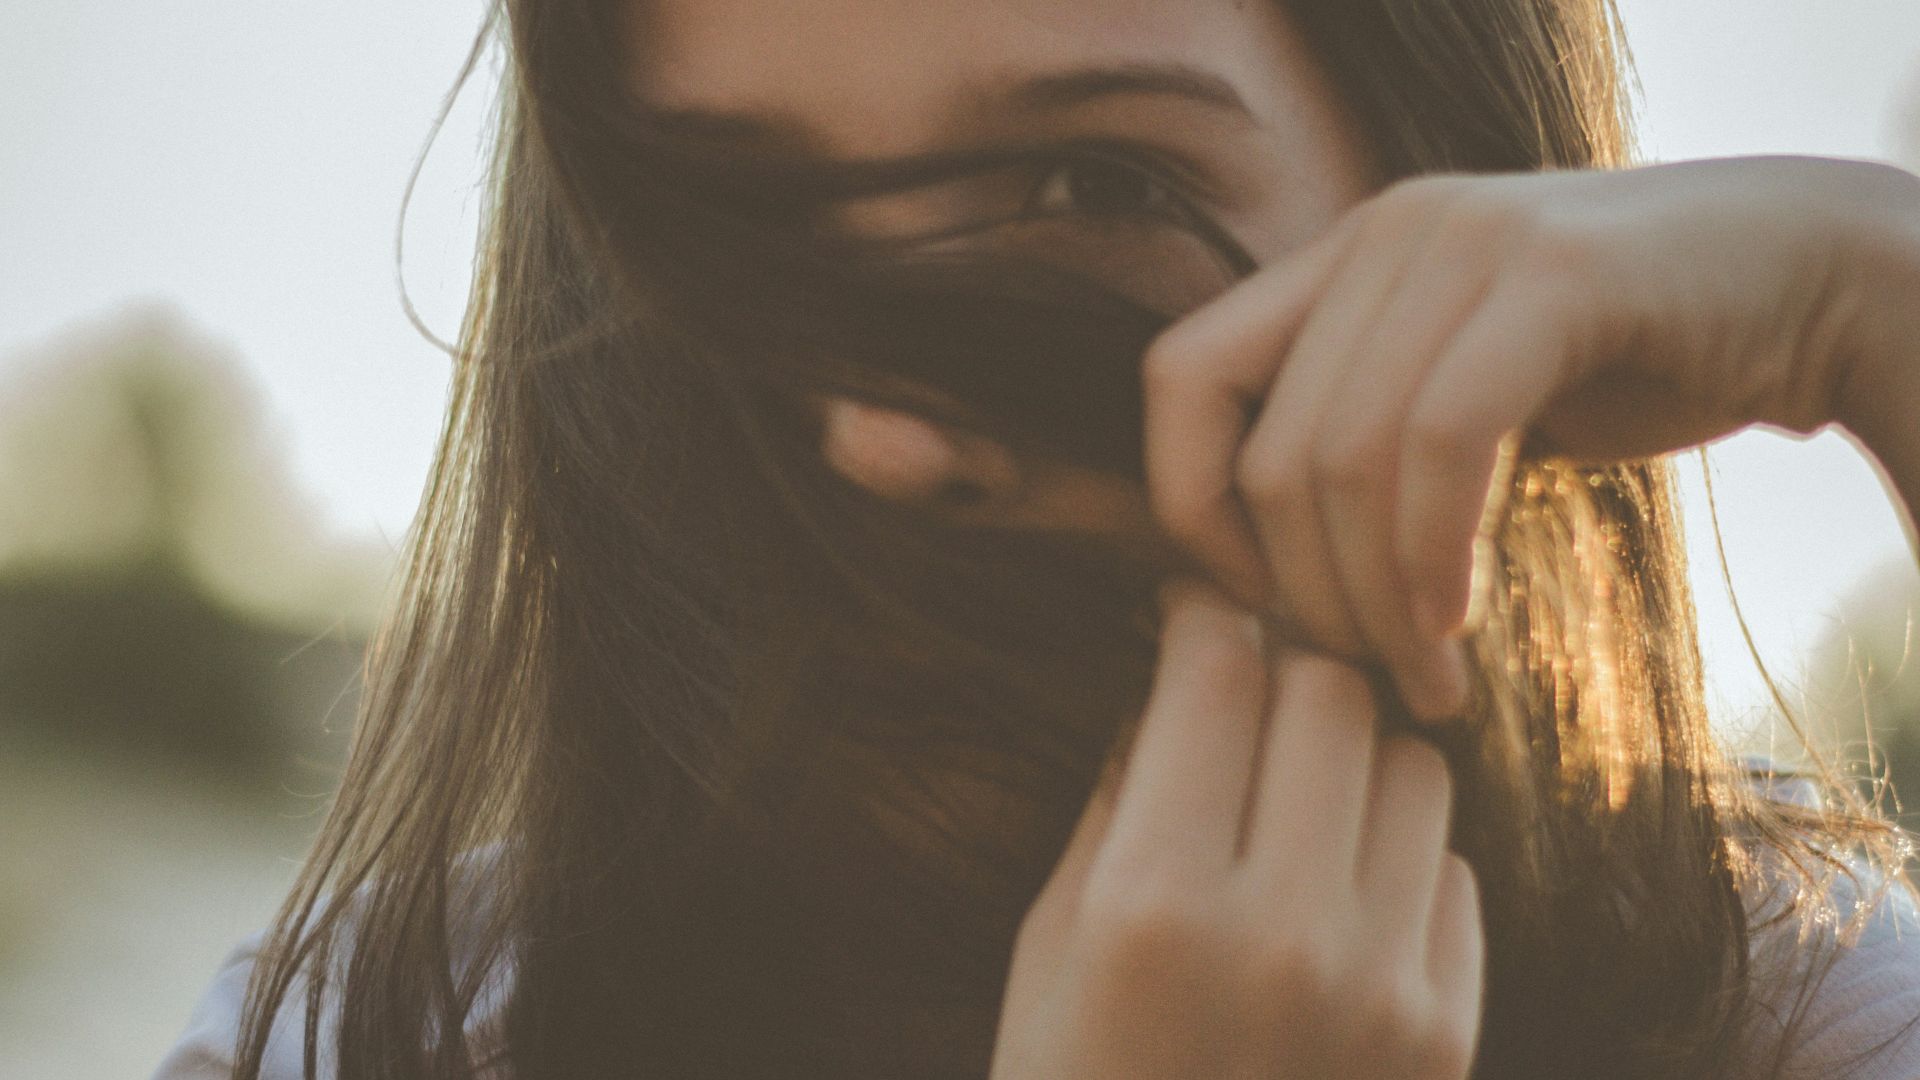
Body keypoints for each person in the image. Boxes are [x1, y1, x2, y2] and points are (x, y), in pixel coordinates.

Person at [153, 0, 1920, 1077]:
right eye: (745, 221)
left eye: (1098, 189)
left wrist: (1873, 298)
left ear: (1457, 205)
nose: (888, 438)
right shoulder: (370, 1044)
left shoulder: (1805, 1026)